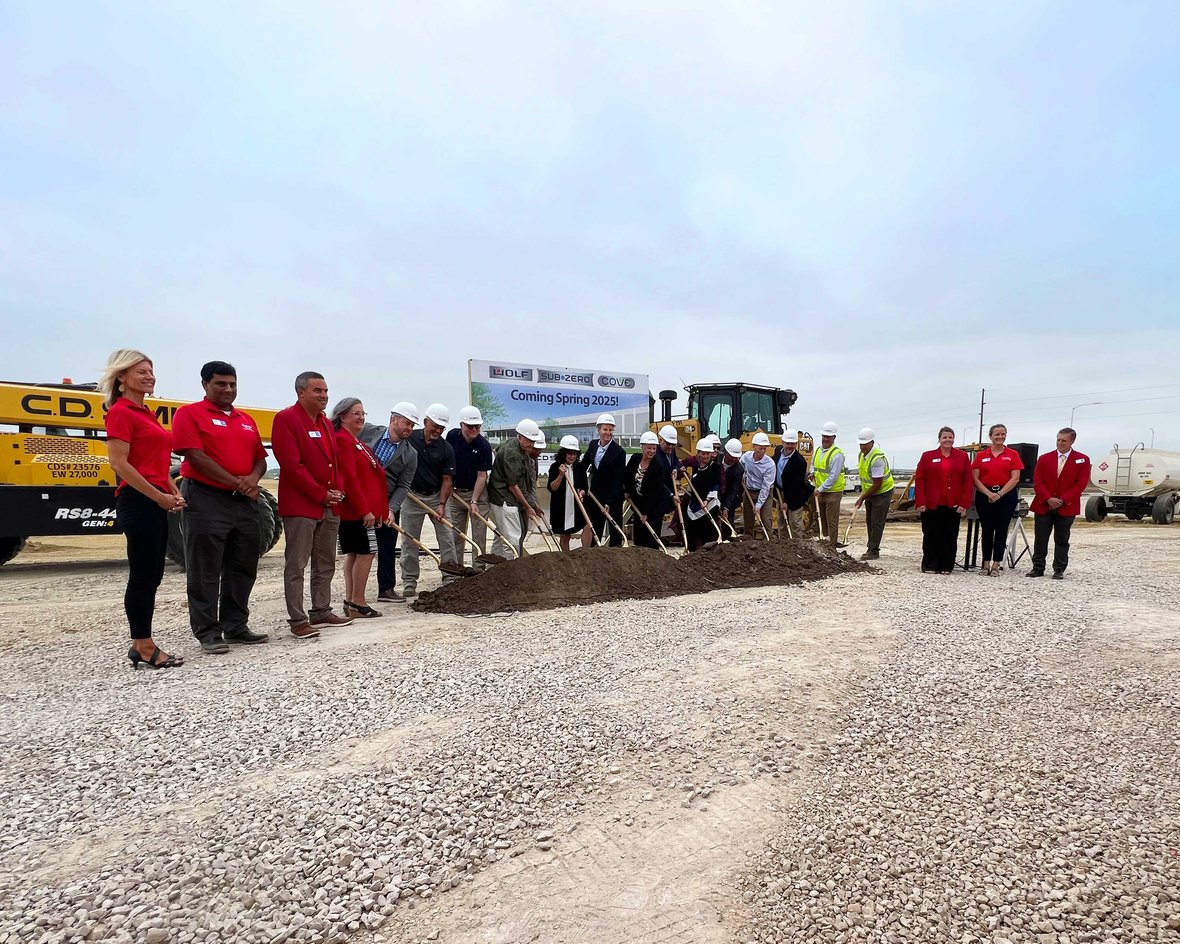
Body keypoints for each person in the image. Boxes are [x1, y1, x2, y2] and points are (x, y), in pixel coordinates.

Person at [172, 360, 270, 654]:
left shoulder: (246, 419)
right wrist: (234, 482)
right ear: (205, 385)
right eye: (221, 384)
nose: (228, 389)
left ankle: (236, 625)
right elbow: (195, 456)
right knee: (205, 568)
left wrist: (252, 479)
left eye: (232, 384)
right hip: (206, 498)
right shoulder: (189, 414)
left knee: (243, 566)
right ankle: (208, 632)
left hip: (244, 502)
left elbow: (260, 459)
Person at [101, 349, 187, 669]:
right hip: (138, 502)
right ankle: (143, 645)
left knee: (153, 575)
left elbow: (150, 458)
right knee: (142, 576)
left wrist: (170, 486)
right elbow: (120, 464)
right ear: (121, 378)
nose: (149, 376)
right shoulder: (121, 412)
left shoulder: (146, 413)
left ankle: (143, 642)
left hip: (153, 498)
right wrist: (157, 496)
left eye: (151, 371)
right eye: (141, 371)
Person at [271, 371, 352, 638]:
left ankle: (321, 610)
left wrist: (337, 490)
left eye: (326, 391)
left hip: (329, 505)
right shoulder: (286, 420)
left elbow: (336, 462)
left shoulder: (326, 423)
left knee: (325, 561)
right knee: (297, 563)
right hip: (302, 505)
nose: (324, 396)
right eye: (318, 391)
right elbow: (292, 465)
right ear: (301, 392)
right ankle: (297, 619)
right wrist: (321, 494)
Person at [331, 398, 389, 618]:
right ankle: (357, 601)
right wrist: (365, 509)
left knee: (356, 553)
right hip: (356, 511)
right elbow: (351, 479)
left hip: (363, 510)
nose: (361, 417)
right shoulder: (343, 441)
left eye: (363, 413)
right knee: (365, 553)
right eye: (356, 413)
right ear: (342, 416)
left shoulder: (357, 443)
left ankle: (351, 600)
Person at [358, 403, 419, 602]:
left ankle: (386, 589)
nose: (410, 428)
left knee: (387, 546)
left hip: (386, 500)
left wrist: (392, 509)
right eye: (407, 423)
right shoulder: (367, 432)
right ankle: (354, 595)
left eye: (412, 425)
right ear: (394, 419)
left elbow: (403, 485)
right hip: (360, 495)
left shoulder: (410, 454)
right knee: (357, 548)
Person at [400, 404, 459, 597]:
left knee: (447, 538)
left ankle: (450, 577)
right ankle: (409, 581)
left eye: (441, 428)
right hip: (412, 496)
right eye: (434, 426)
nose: (437, 431)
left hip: (436, 497)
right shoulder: (410, 440)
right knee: (410, 541)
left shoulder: (446, 449)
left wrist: (441, 504)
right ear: (425, 422)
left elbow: (447, 480)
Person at [1029, 428, 1091, 580]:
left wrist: (1062, 500)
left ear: (1072, 441)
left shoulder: (1082, 459)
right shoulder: (1044, 458)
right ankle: (1038, 567)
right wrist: (1048, 498)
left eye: (1064, 440)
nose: (1060, 443)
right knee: (1041, 538)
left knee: (1062, 539)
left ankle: (1059, 569)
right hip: (1044, 505)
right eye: (1058, 440)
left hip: (1066, 507)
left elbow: (1080, 484)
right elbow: (1038, 482)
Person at [913, 426, 973, 574]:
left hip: (953, 504)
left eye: (950, 437)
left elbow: (967, 481)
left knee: (950, 535)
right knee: (930, 534)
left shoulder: (962, 457)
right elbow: (920, 479)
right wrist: (920, 501)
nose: (948, 440)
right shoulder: (927, 456)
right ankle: (930, 564)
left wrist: (964, 503)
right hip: (931, 504)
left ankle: (946, 565)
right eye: (945, 437)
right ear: (939, 439)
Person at [971, 423, 1024, 575]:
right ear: (990, 436)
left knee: (1002, 530)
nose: (1000, 437)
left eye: (1003, 434)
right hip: (985, 495)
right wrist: (989, 494)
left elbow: (1015, 478)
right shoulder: (981, 455)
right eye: (997, 434)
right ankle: (985, 564)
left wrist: (1000, 494)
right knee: (987, 530)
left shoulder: (1013, 454)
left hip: (1006, 496)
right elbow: (975, 478)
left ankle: (996, 565)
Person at [445, 406, 493, 569]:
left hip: (477, 494)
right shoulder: (452, 436)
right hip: (455, 493)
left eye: (477, 427)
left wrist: (474, 501)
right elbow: (446, 463)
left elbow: (482, 476)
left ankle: (478, 569)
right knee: (456, 534)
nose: (474, 430)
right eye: (470, 426)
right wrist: (448, 486)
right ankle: (457, 568)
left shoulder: (484, 446)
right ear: (461, 425)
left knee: (479, 535)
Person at [489, 419, 542, 558]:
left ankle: (493, 569)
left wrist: (533, 504)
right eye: (529, 440)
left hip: (504, 496)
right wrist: (528, 507)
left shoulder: (519, 447)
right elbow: (513, 486)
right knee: (512, 539)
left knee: (501, 535)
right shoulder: (512, 454)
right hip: (504, 498)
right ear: (520, 436)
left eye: (533, 441)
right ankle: (510, 572)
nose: (531, 444)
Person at [578, 413, 627, 546]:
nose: (608, 432)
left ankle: (616, 559)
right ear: (598, 430)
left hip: (613, 499)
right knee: (596, 531)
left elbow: (618, 480)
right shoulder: (593, 445)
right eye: (605, 429)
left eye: (611, 430)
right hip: (595, 496)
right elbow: (583, 466)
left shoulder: (619, 452)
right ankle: (596, 560)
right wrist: (581, 486)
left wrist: (609, 502)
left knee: (615, 533)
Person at [625, 431, 673, 548]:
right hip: (638, 503)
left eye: (654, 448)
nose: (651, 451)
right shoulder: (635, 458)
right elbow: (627, 475)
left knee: (652, 538)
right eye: (649, 448)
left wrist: (646, 513)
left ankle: (654, 560)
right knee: (639, 537)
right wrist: (626, 491)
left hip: (654, 507)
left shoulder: (657, 467)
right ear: (642, 447)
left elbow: (654, 492)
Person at [853, 428, 895, 561]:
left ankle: (873, 551)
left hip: (882, 492)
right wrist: (864, 495)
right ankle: (871, 547)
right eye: (860, 444)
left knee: (877, 522)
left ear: (872, 442)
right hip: (870, 492)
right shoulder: (861, 455)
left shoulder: (877, 458)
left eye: (864, 444)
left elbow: (877, 483)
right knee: (869, 521)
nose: (862, 446)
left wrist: (861, 498)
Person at [548, 435, 591, 551]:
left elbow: (584, 487)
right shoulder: (555, 467)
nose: (572, 456)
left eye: (575, 454)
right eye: (570, 454)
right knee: (565, 534)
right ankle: (566, 559)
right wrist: (560, 476)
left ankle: (586, 553)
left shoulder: (580, 467)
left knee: (588, 526)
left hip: (577, 505)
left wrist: (581, 493)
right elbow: (552, 488)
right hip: (562, 507)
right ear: (564, 453)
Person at [682, 439, 722, 551]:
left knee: (707, 534)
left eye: (707, 454)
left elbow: (715, 485)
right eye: (703, 454)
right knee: (692, 533)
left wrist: (707, 500)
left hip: (708, 505)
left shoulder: (715, 468)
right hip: (694, 506)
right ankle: (691, 553)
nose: (705, 456)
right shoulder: (696, 467)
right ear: (698, 454)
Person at [812, 421, 845, 547]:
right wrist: (811, 473)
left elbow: (833, 477)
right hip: (821, 490)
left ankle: (832, 543)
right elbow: (814, 467)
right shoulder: (818, 450)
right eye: (824, 436)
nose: (825, 439)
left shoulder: (837, 454)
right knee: (822, 518)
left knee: (831, 519)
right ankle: (824, 540)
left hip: (833, 491)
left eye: (828, 437)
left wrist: (820, 489)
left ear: (834, 438)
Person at [774, 429, 812, 539]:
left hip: (795, 496)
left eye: (792, 444)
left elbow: (796, 485)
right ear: (782, 442)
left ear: (796, 444)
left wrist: (786, 501)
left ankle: (798, 547)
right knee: (781, 522)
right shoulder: (778, 451)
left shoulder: (799, 461)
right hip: (780, 491)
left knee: (795, 523)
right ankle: (784, 547)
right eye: (787, 443)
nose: (790, 446)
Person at [740, 432, 776, 537]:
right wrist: (742, 478)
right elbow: (740, 467)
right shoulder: (746, 457)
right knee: (748, 519)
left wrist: (758, 505)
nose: (763, 451)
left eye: (765, 449)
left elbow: (766, 486)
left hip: (764, 492)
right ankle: (748, 540)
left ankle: (769, 542)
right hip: (749, 491)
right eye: (760, 449)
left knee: (765, 519)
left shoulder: (770, 464)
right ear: (754, 447)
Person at [719, 439, 745, 532]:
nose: (733, 459)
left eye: (736, 457)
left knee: (728, 523)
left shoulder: (739, 470)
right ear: (725, 452)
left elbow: (733, 490)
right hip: (712, 495)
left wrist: (726, 508)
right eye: (731, 456)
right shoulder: (716, 460)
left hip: (728, 498)